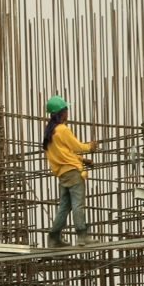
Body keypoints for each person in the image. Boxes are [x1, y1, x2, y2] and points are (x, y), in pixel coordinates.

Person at [42, 95, 99, 248]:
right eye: (66, 109)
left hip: (62, 175)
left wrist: (82, 160)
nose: (68, 112)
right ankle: (82, 236)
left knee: (64, 207)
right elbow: (77, 146)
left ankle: (53, 238)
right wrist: (90, 147)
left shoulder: (50, 133)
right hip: (74, 173)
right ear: (61, 112)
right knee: (77, 205)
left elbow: (64, 153)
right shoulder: (62, 130)